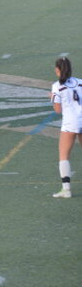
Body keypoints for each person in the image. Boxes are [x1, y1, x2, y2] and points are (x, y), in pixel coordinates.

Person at [50, 57, 82, 199]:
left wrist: (52, 98)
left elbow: (58, 110)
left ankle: (66, 190)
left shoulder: (57, 86)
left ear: (57, 70)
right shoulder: (80, 82)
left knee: (64, 156)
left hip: (70, 123)